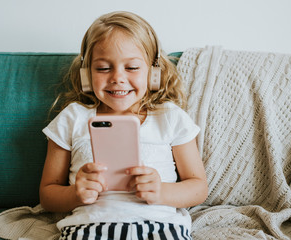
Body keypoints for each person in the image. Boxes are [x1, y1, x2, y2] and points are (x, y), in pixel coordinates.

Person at [39, 11, 208, 240]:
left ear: (153, 72)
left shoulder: (170, 117)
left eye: (132, 68)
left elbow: (198, 187)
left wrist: (162, 191)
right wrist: (75, 194)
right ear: (87, 73)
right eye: (103, 68)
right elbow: (48, 195)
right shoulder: (73, 118)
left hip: (160, 228)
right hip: (89, 229)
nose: (117, 78)